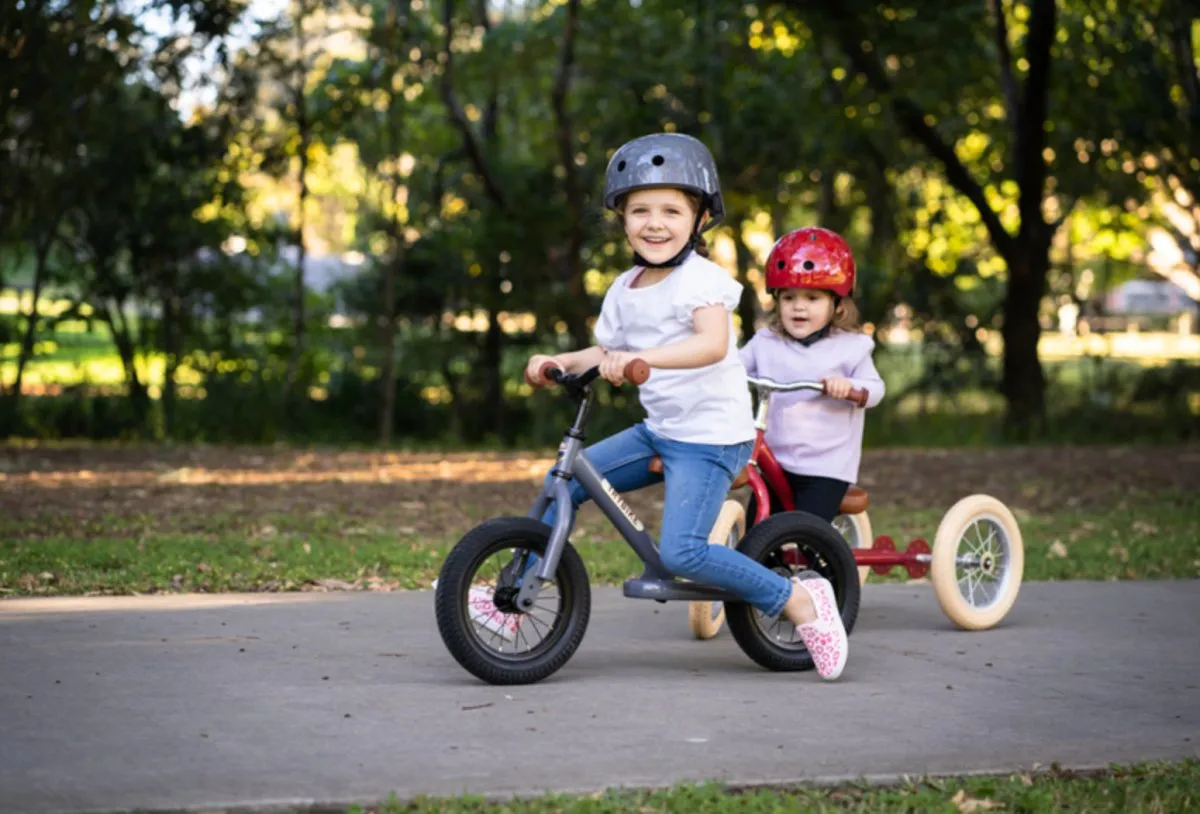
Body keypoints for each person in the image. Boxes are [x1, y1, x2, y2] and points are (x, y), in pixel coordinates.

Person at [523, 133, 848, 680]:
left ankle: (798, 602)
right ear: (622, 219)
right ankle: (522, 588)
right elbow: (603, 351)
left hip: (712, 436)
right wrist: (557, 360)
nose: (655, 222)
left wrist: (639, 360)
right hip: (661, 428)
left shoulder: (702, 281)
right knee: (564, 481)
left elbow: (711, 344)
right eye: (640, 210)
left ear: (699, 219)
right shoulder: (624, 287)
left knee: (683, 554)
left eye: (671, 210)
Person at [740, 226, 885, 524]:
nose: (799, 306)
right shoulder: (766, 342)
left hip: (825, 467)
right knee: (757, 529)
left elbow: (875, 388)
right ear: (777, 301)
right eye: (789, 298)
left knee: (808, 532)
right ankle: (759, 569)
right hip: (775, 462)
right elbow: (731, 368)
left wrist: (850, 387)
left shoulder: (851, 347)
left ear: (837, 304)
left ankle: (820, 569)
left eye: (812, 298)